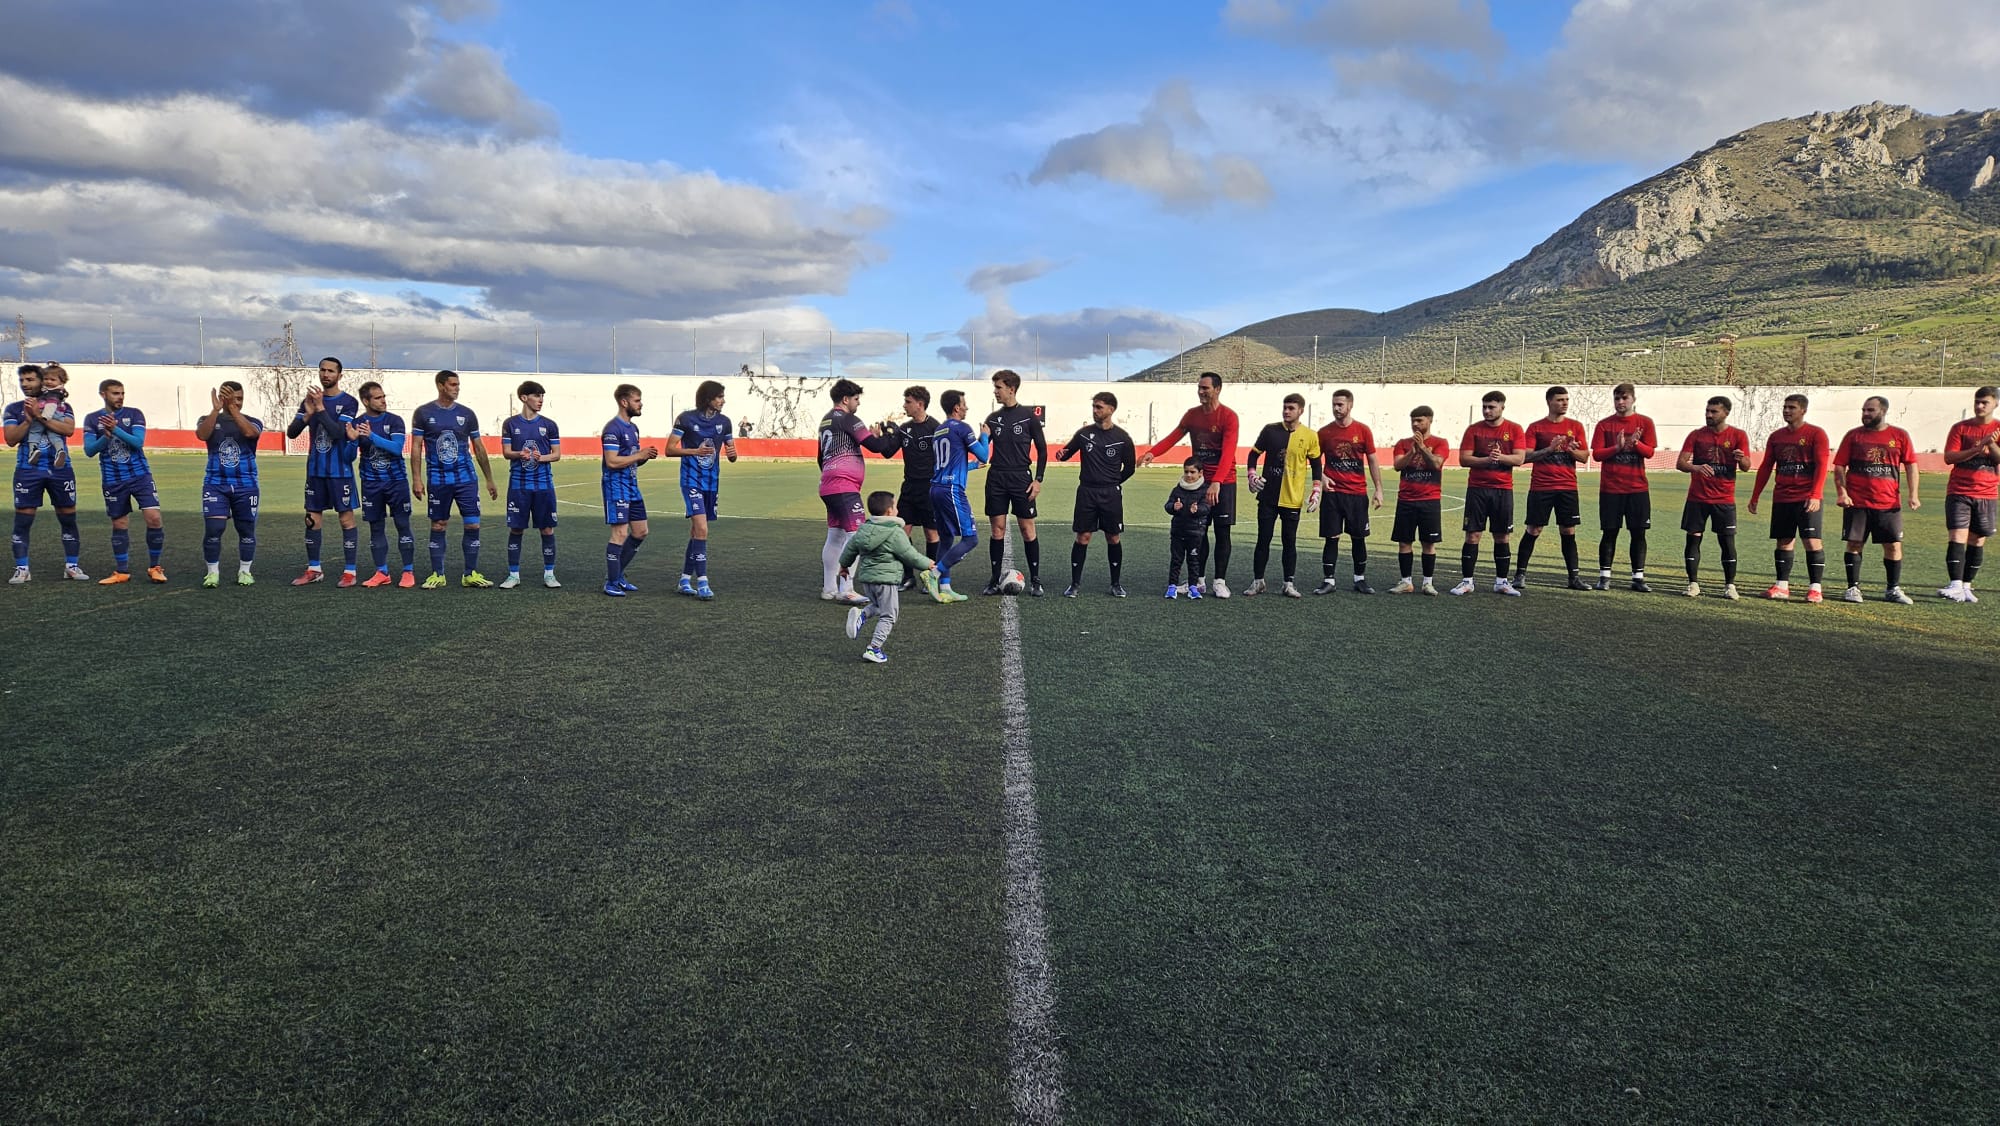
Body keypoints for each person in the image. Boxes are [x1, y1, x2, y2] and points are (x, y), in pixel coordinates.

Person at [1139, 371, 1239, 597]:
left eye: (1206, 388)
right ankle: (1199, 580)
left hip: (1224, 482)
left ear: (1217, 389)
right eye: (1199, 387)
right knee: (1198, 532)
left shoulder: (1229, 417)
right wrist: (1152, 453)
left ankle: (1220, 582)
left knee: (1223, 533)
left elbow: (1228, 452)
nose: (1201, 392)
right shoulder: (1192, 415)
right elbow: (1174, 436)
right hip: (1198, 483)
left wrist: (1217, 483)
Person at [409, 370, 499, 589]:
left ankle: (470, 574)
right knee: (439, 525)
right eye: (452, 384)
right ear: (441, 386)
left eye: (458, 384)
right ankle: (438, 574)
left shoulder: (467, 414)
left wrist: (489, 479)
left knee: (473, 524)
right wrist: (417, 479)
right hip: (438, 480)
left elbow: (478, 447)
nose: (457, 388)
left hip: (466, 478)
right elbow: (416, 447)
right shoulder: (423, 413)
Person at [817, 378, 898, 605]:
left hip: (828, 484)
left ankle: (829, 588)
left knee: (835, 535)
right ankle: (846, 588)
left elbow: (819, 457)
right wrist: (888, 435)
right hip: (844, 486)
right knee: (858, 536)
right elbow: (875, 446)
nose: (858, 403)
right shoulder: (849, 419)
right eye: (856, 399)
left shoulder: (825, 421)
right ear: (845, 399)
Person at [837, 490, 943, 665]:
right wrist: (928, 564)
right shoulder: (894, 532)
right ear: (889, 511)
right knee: (889, 615)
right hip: (885, 580)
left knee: (878, 606)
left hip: (867, 579)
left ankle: (861, 617)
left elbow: (850, 548)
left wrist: (843, 566)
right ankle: (874, 648)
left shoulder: (864, 529)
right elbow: (909, 554)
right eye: (895, 507)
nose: (897, 510)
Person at [1833, 395, 1920, 604]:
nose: (1865, 414)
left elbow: (1910, 465)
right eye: (1863, 410)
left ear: (1883, 411)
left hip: (1888, 504)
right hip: (1858, 502)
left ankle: (1892, 589)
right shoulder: (1853, 436)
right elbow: (1838, 466)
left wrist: (1913, 494)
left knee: (1893, 546)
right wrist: (1842, 493)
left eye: (1870, 410)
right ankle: (1852, 588)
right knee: (1854, 544)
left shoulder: (1899, 435)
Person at [1747, 393, 1831, 603]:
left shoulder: (1816, 434)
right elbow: (1766, 466)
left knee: (1812, 541)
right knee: (1784, 541)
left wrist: (1815, 495)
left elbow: (1822, 466)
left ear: (1803, 410)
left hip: (1806, 498)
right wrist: (1755, 495)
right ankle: (1782, 586)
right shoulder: (1776, 436)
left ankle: (1815, 589)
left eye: (1791, 407)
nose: (1787, 411)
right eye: (1785, 407)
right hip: (1782, 497)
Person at [285, 357, 361, 587]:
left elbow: (339, 433)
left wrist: (320, 409)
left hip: (340, 472)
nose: (325, 374)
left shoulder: (348, 402)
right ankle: (314, 569)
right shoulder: (308, 401)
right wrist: (308, 415)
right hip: (316, 471)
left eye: (330, 371)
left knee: (346, 520)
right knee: (311, 520)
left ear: (340, 374)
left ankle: (350, 572)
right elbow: (291, 433)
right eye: (322, 370)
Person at [81, 377, 166, 583]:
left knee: (154, 517)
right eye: (115, 393)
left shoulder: (134, 414)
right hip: (113, 479)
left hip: (140, 475)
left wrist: (116, 429)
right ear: (103, 395)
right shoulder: (92, 419)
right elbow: (90, 450)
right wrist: (107, 436)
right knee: (119, 523)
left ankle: (155, 567)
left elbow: (138, 442)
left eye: (122, 393)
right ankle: (122, 571)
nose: (120, 397)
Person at [6, 364, 85, 582]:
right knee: (23, 521)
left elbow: (68, 429)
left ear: (42, 380)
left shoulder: (62, 406)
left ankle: (72, 566)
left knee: (68, 518)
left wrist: (40, 416)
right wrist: (29, 419)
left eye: (30, 380)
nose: (25, 384)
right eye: (22, 380)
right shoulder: (13, 409)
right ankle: (22, 569)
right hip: (28, 471)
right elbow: (11, 439)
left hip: (61, 470)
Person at [1056, 391, 1136, 597]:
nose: (1095, 411)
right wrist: (1062, 455)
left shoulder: (1122, 438)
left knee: (1113, 537)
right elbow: (1067, 452)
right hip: (1087, 493)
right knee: (1083, 536)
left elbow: (1129, 468)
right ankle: (1074, 584)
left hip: (1110, 494)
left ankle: (1115, 584)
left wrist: (1114, 482)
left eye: (1099, 407)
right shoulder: (1084, 434)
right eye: (1094, 407)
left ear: (1111, 409)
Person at [1245, 392, 1323, 598]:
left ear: (1301, 411)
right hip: (1268, 497)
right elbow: (1253, 454)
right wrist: (1252, 476)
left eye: (1291, 408)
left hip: (1293, 498)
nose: (1286, 411)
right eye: (1285, 407)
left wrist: (1316, 491)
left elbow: (1316, 465)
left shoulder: (1310, 435)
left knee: (1289, 541)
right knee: (1263, 539)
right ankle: (1258, 581)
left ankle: (1288, 583)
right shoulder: (1270, 431)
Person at [1515, 386, 1591, 591]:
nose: (1564, 403)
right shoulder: (1536, 427)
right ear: (1549, 402)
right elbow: (1525, 457)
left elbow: (1584, 457)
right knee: (1534, 529)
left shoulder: (1575, 426)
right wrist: (1549, 449)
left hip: (1567, 487)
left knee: (1568, 530)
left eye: (1566, 399)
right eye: (1559, 400)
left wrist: (1569, 449)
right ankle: (1519, 575)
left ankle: (1573, 578)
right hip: (1541, 486)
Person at [1676, 395, 1752, 599]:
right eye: (1707, 411)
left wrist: (1741, 458)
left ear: (1726, 413)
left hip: (1724, 500)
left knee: (1727, 543)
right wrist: (1696, 467)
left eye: (1713, 411)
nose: (1708, 415)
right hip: (1697, 498)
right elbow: (1680, 463)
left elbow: (1746, 467)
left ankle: (1730, 586)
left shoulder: (1738, 435)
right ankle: (1693, 584)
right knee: (1693, 540)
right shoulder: (1696, 435)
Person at [981, 369, 1049, 596]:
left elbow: (1042, 449)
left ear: (1011, 389)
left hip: (1021, 478)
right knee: (997, 529)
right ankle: (993, 579)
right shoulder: (993, 418)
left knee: (1027, 529)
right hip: (997, 478)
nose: (995, 392)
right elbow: (981, 450)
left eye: (998, 387)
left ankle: (1036, 580)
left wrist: (1038, 480)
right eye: (994, 387)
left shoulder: (1029, 417)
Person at [666, 379, 735, 600]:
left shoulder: (725, 422)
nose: (723, 401)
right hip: (691, 481)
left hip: (711, 483)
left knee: (697, 532)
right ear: (708, 398)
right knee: (702, 529)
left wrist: (732, 454)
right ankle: (703, 582)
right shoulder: (686, 419)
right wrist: (694, 451)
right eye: (719, 397)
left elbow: (730, 451)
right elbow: (669, 449)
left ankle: (684, 579)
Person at [1451, 391, 1525, 596]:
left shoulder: (1514, 429)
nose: (1487, 410)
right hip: (1477, 489)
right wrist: (1486, 460)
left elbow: (1519, 459)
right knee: (1473, 535)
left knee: (1502, 536)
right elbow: (1464, 459)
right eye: (1484, 406)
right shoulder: (1473, 430)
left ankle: (1501, 582)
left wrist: (1500, 457)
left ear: (1502, 407)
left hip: (1502, 490)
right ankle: (1467, 581)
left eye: (1491, 407)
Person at [1590, 383, 1657, 592]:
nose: (1620, 402)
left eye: (1624, 398)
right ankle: (1604, 576)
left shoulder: (1645, 423)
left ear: (1633, 399)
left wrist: (1636, 444)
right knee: (1610, 532)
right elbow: (1597, 454)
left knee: (1638, 533)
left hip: (1637, 489)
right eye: (1617, 398)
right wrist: (1617, 447)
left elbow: (1650, 453)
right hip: (1611, 489)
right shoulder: (1604, 425)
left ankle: (1638, 577)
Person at [195, 381, 263, 587]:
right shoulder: (207, 419)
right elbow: (202, 435)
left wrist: (232, 408)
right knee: (214, 529)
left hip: (246, 485)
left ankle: (245, 571)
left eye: (240, 399)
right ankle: (212, 573)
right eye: (233, 398)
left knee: (246, 530)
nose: (237, 402)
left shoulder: (253, 421)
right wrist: (216, 410)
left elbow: (251, 434)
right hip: (216, 484)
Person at [1313, 388, 1379, 595]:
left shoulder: (1363, 430)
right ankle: (1329, 581)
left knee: (1358, 538)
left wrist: (1379, 489)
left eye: (1340, 404)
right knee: (1331, 537)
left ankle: (1359, 579)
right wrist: (1321, 478)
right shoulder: (1324, 432)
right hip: (1333, 495)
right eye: (1334, 404)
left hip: (1357, 494)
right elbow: (1314, 460)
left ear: (1350, 405)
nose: (1336, 408)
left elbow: (1373, 460)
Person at [875, 385, 942, 589]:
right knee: (902, 533)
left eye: (908, 402)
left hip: (930, 488)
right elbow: (887, 452)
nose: (904, 405)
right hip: (909, 488)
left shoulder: (936, 428)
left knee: (932, 534)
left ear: (919, 404)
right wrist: (884, 435)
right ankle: (908, 577)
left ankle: (931, 576)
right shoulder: (904, 428)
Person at [926, 388, 989, 602]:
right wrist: (985, 435)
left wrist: (970, 466)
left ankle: (945, 586)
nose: (966, 407)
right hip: (951, 489)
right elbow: (984, 455)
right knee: (971, 538)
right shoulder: (962, 427)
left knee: (946, 538)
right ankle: (934, 573)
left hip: (936, 487)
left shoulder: (940, 429)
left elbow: (947, 462)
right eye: (964, 403)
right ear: (956, 407)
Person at [499, 380, 563, 590]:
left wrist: (540, 457)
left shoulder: (550, 425)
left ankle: (549, 574)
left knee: (546, 530)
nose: (541, 400)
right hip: (518, 485)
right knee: (516, 529)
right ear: (524, 398)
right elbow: (506, 452)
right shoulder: (510, 424)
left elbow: (556, 455)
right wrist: (520, 454)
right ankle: (513, 574)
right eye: (536, 396)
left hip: (543, 485)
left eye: (542, 396)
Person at [1938, 385, 1999, 602]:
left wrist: (1990, 445)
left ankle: (1966, 586)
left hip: (1987, 493)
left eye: (1985, 402)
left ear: (1995, 404)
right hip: (1959, 491)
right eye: (1977, 401)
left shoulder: (1998, 429)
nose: (1980, 406)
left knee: (1978, 539)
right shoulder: (1961, 428)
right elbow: (1949, 457)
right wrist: (1976, 448)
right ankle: (1954, 583)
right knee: (1957, 536)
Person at [353, 381, 416, 588]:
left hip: (396, 482)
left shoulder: (395, 420)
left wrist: (371, 436)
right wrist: (352, 440)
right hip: (371, 484)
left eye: (383, 396)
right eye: (378, 398)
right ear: (366, 401)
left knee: (402, 525)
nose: (383, 401)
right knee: (376, 528)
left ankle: (408, 571)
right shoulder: (358, 423)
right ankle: (382, 572)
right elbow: (348, 456)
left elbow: (397, 448)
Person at [601, 383, 660, 597]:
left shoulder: (633, 429)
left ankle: (619, 575)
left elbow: (630, 461)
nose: (640, 404)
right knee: (619, 533)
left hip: (632, 487)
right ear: (624, 402)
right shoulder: (612, 428)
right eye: (637, 400)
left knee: (641, 531)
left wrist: (644, 457)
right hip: (616, 487)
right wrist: (638, 455)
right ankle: (611, 582)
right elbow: (612, 462)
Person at [1390, 406, 1451, 594]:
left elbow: (1436, 464)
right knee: (1404, 542)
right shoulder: (1402, 443)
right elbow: (1397, 466)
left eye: (1420, 420)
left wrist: (1423, 448)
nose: (1415, 424)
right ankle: (1406, 582)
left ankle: (1427, 583)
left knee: (1428, 543)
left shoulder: (1440, 442)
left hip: (1429, 500)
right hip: (1406, 500)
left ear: (1430, 420)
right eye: (1413, 421)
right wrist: (1412, 451)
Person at [1163, 458, 1213, 599]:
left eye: (1193, 472)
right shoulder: (1177, 489)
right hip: (1178, 532)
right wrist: (1173, 507)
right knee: (1176, 560)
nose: (1189, 475)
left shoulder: (1205, 490)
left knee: (1193, 561)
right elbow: (1168, 505)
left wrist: (1197, 510)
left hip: (1195, 533)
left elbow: (1207, 507)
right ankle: (1172, 586)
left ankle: (1193, 587)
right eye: (1186, 472)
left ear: (1200, 473)